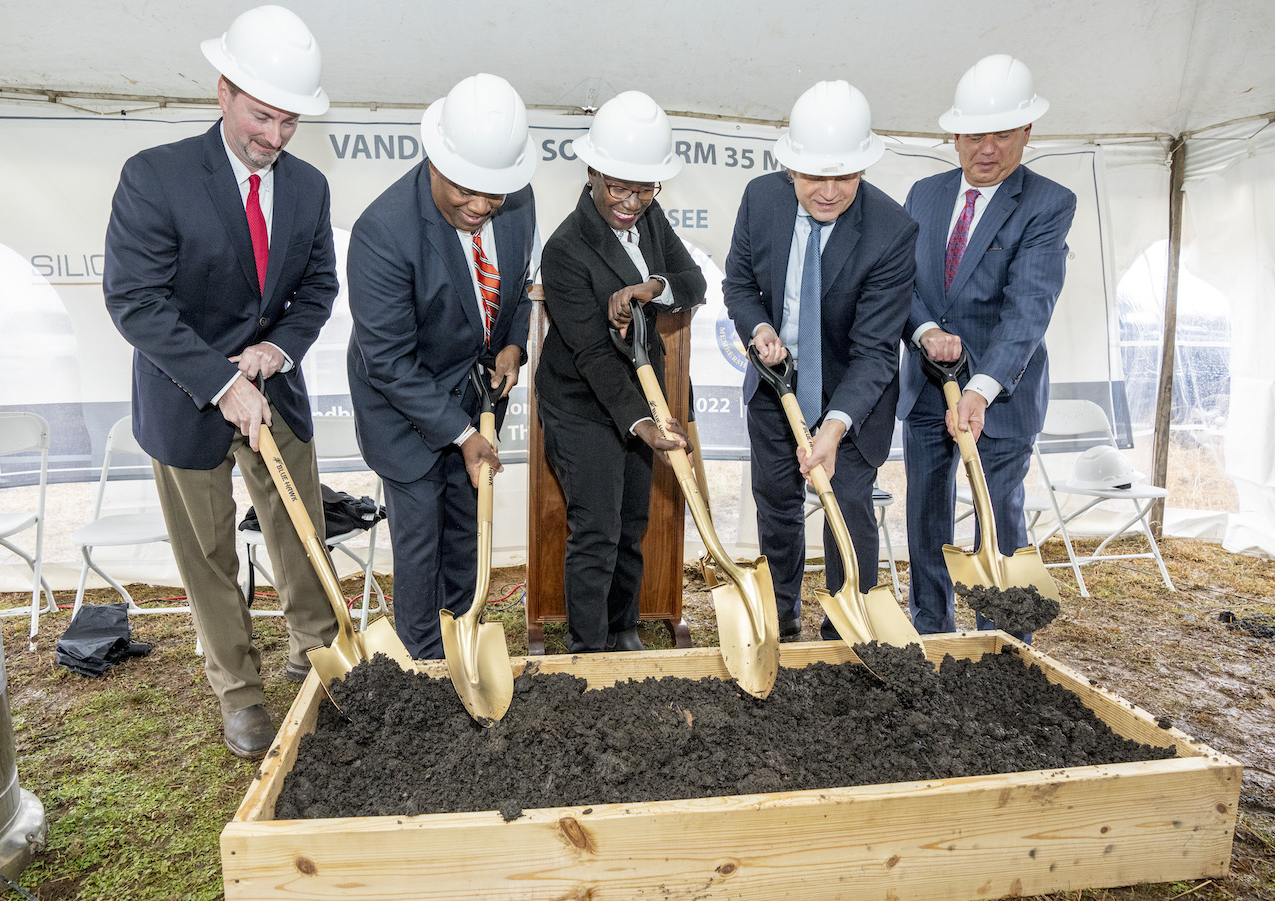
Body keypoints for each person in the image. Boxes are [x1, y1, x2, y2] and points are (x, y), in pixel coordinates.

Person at [102, 5, 339, 759]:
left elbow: (320, 290)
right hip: (184, 400)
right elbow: (135, 299)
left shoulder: (308, 189)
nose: (273, 137)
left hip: (276, 395)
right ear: (224, 92)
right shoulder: (155, 177)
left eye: (289, 123)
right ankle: (240, 693)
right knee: (209, 555)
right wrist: (219, 381)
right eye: (261, 116)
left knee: (301, 532)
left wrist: (276, 352)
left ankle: (316, 659)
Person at [346, 73, 538, 660]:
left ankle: (463, 638)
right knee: (421, 537)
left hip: (474, 392)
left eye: (493, 194)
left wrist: (513, 344)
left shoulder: (517, 201)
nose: (481, 207)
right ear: (434, 158)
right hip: (401, 406)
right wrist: (458, 435)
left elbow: (514, 290)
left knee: (465, 523)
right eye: (465, 191)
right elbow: (388, 359)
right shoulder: (382, 234)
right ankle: (423, 661)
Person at [722, 81, 917, 642]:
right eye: (814, 177)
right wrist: (759, 328)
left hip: (850, 397)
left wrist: (833, 426)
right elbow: (739, 284)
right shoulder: (760, 200)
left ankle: (847, 635)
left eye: (845, 177)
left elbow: (876, 351)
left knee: (847, 510)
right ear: (789, 169)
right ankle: (781, 625)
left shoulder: (891, 231)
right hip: (774, 385)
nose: (829, 191)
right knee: (777, 507)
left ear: (864, 168)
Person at [897, 54, 1078, 639]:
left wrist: (979, 387)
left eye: (1004, 134)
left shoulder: (1048, 204)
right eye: (976, 134)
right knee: (927, 512)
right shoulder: (922, 196)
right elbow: (900, 284)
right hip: (925, 387)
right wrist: (925, 332)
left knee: (998, 514)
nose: (988, 148)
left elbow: (1030, 309)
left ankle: (1002, 647)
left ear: (1028, 132)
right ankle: (932, 629)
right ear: (954, 135)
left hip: (1001, 395)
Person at [537, 92, 707, 654]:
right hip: (583, 404)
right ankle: (587, 654)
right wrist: (642, 424)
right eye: (619, 187)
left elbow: (694, 283)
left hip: (643, 392)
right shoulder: (564, 249)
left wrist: (650, 287)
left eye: (645, 187)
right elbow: (590, 355)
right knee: (597, 531)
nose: (631, 201)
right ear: (592, 172)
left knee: (633, 522)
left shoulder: (650, 218)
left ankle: (622, 628)